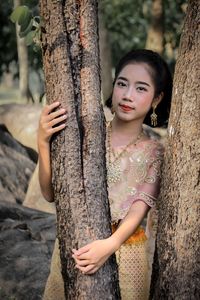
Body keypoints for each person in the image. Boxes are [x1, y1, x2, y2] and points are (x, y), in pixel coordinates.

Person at [38, 49, 172, 300]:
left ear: (157, 98)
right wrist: (43, 141)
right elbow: (49, 193)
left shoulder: (155, 152)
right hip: (76, 243)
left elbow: (138, 209)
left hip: (126, 251)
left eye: (141, 88)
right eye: (122, 83)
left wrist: (109, 245)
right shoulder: (85, 133)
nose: (128, 95)